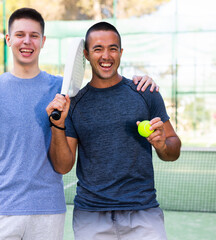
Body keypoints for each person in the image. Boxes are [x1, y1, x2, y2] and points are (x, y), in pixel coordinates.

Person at [0, 8, 159, 240]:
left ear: (43, 41)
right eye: (20, 34)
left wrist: (142, 81)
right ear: (8, 39)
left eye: (34, 35)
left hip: (49, 212)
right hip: (0, 210)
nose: (27, 41)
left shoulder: (66, 89)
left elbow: (105, 85)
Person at [46, 22, 181, 240]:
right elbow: (62, 166)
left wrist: (163, 145)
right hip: (90, 216)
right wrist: (57, 125)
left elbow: (173, 150)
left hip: (143, 213)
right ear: (86, 55)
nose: (106, 56)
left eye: (113, 48)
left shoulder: (146, 93)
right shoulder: (74, 104)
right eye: (98, 49)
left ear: (121, 52)